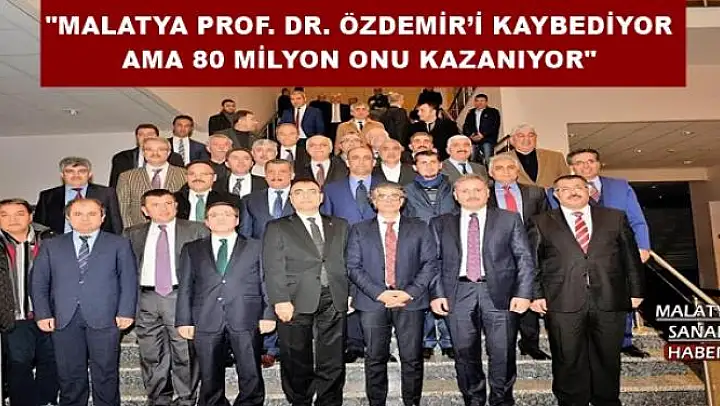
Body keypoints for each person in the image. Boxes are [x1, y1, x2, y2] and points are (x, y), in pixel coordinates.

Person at [530, 175, 645, 406]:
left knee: (608, 356)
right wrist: (536, 294)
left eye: (578, 187)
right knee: (567, 357)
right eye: (565, 189)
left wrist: (636, 291)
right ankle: (572, 401)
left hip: (610, 297)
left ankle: (606, 400)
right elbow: (532, 262)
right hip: (561, 300)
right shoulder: (540, 222)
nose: (573, 192)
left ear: (589, 190)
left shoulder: (615, 217)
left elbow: (630, 257)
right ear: (556, 195)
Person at [430, 174, 534, 406]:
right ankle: (473, 399)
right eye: (465, 191)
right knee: (464, 353)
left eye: (477, 190)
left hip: (500, 294)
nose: (472, 195)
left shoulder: (509, 219)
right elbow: (433, 261)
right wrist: (437, 294)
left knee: (502, 352)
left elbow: (524, 258)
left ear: (487, 193)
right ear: (456, 196)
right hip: (457, 293)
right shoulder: (441, 223)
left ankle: (502, 400)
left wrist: (523, 293)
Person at [31, 198, 138, 406]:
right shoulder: (51, 245)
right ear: (68, 217)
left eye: (92, 213)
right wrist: (43, 314)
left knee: (106, 372)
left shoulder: (119, 244)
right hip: (64, 318)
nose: (85, 219)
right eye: (78, 214)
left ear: (103, 217)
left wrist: (126, 311)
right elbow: (39, 282)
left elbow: (128, 279)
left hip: (106, 317)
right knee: (69, 373)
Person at [175, 201, 275, 406]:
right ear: (206, 221)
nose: (221, 218)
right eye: (215, 215)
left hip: (246, 316)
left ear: (237, 220)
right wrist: (184, 320)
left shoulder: (257, 246)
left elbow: (266, 281)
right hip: (206, 317)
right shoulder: (192, 249)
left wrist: (268, 314)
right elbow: (185, 286)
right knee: (209, 373)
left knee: (250, 371)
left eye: (227, 214)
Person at [347, 182, 437, 406]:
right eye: (382, 196)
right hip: (372, 301)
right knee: (375, 357)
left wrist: (409, 292)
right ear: (373, 201)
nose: (388, 200)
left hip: (410, 301)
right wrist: (379, 294)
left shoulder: (420, 227)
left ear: (402, 201)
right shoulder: (359, 229)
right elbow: (353, 267)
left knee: (412, 358)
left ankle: (411, 402)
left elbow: (429, 263)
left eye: (394, 195)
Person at [263, 179, 350, 406]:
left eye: (312, 192)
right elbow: (273, 266)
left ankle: (329, 401)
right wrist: (280, 300)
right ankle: (299, 400)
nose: (306, 196)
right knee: (295, 356)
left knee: (333, 356)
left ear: (321, 197)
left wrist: (350, 293)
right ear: (291, 199)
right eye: (299, 192)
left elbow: (347, 260)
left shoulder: (339, 224)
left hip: (334, 295)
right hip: (294, 298)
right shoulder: (278, 227)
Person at [561, 148, 652, 358]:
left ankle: (625, 341)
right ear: (572, 167)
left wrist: (643, 246)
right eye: (579, 162)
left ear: (599, 163)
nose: (586, 166)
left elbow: (637, 219)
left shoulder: (620, 186)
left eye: (590, 161)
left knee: (622, 295)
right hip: (579, 255)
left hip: (618, 253)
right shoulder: (558, 190)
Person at [123, 189, 208, 406]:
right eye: (156, 205)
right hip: (146, 298)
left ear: (176, 206)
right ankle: (158, 398)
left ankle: (186, 398)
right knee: (150, 352)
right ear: (145, 210)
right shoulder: (132, 233)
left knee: (184, 351)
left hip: (181, 297)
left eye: (168, 203)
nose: (163, 209)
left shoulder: (196, 230)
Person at [487, 153, 551, 360]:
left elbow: (546, 222)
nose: (505, 171)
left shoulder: (536, 192)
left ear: (517, 171)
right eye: (499, 168)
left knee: (528, 294)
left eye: (510, 167)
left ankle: (530, 343)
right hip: (496, 254)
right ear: (490, 172)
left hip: (530, 251)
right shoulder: (483, 193)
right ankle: (501, 345)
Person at [0, 198, 58, 406]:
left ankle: (46, 401)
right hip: (13, 316)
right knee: (19, 363)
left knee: (51, 361)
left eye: (19, 214)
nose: (12, 219)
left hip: (49, 315)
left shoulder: (51, 240)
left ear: (31, 216)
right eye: (5, 215)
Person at [35, 156, 123, 235]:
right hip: (58, 244)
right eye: (70, 171)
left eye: (82, 171)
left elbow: (116, 225)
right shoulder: (47, 196)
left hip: (100, 244)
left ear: (89, 174)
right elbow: (39, 227)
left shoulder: (106, 193)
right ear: (62, 175)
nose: (76, 175)